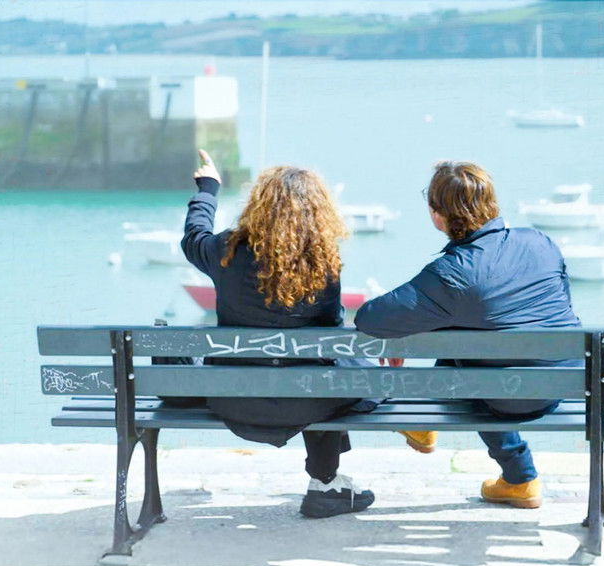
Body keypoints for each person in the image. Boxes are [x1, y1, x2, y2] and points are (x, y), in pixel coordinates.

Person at [354, 161, 582, 510]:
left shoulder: (451, 273)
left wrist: (408, 331)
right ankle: (518, 480)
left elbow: (371, 318)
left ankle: (515, 473)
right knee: (470, 329)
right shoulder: (540, 242)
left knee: (474, 352)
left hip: (508, 396)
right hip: (563, 380)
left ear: (436, 215)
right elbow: (562, 306)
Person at [180, 150, 381, 518]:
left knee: (319, 373)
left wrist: (208, 188)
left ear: (259, 205)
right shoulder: (323, 263)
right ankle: (325, 482)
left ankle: (327, 482)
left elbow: (194, 235)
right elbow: (332, 333)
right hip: (309, 400)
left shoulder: (225, 251)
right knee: (330, 373)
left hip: (233, 398)